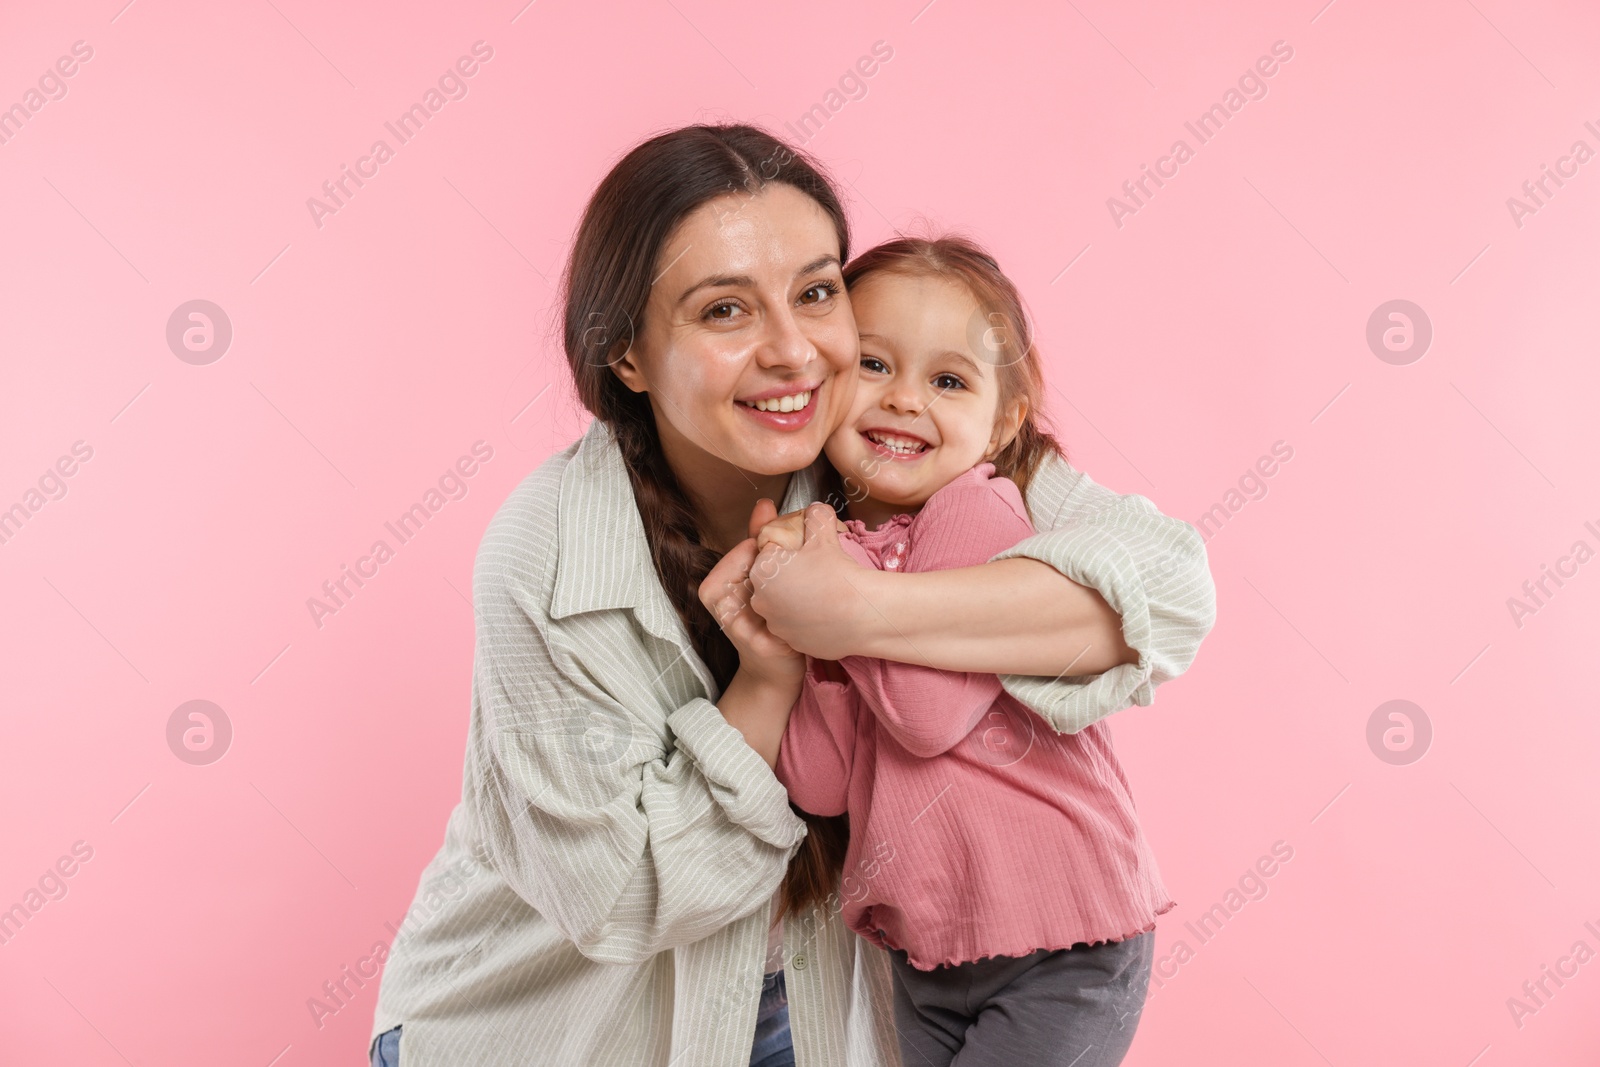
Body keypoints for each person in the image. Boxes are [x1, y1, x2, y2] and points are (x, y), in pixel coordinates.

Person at [366, 123, 1216, 1067]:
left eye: (815, 293)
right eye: (724, 310)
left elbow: (1167, 590)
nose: (792, 352)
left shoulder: (891, 450)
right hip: (563, 1029)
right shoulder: (552, 552)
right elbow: (630, 896)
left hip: (810, 1013)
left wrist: (859, 614)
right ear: (629, 357)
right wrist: (765, 683)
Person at [755, 235, 1166, 1066]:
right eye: (874, 365)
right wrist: (805, 640)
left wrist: (836, 605)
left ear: (1001, 421)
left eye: (948, 381)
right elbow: (820, 784)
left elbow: (926, 715)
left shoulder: (977, 512)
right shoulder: (850, 552)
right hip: (932, 953)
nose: (905, 399)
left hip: (1062, 946)